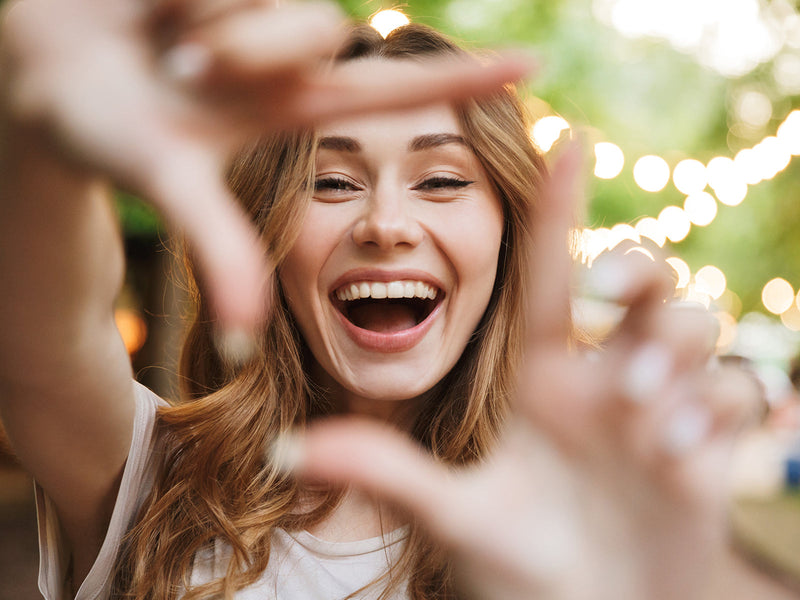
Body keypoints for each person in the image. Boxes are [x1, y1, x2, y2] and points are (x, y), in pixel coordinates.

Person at [0, 1, 761, 599]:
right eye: (331, 182)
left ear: (509, 236)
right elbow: (42, 331)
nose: (386, 225)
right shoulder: (146, 476)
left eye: (442, 181)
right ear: (269, 231)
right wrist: (36, 147)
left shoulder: (592, 517)